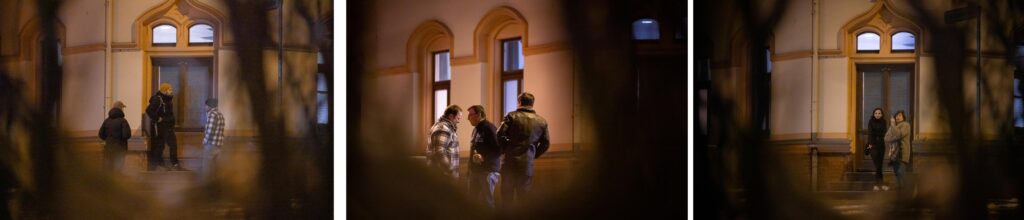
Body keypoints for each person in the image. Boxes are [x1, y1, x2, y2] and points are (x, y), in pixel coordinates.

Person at [497, 92, 550, 208]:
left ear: (519, 102)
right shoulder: (542, 121)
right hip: (527, 165)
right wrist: (533, 154)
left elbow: (499, 135)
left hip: (509, 163)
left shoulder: (511, 116)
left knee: (507, 199)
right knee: (524, 200)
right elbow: (546, 143)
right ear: (532, 104)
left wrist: (505, 148)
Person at [146, 83, 185, 171]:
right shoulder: (158, 99)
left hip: (168, 126)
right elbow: (148, 110)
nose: (171, 90)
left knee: (170, 145)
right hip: (162, 127)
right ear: (164, 90)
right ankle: (160, 165)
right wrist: (157, 118)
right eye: (169, 89)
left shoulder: (168, 99)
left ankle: (169, 164)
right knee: (162, 146)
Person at [467, 105, 500, 208]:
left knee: (487, 203)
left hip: (488, 171)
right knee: (472, 203)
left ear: (479, 115)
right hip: (475, 171)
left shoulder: (489, 128)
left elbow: (499, 149)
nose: (468, 118)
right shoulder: (475, 130)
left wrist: (484, 157)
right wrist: (469, 169)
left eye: (471, 115)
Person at [427, 105, 462, 179]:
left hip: (444, 174)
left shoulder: (446, 127)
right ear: (451, 116)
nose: (459, 121)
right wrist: (450, 170)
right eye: (458, 118)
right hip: (443, 175)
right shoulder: (443, 129)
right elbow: (439, 151)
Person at [98, 101, 131, 172]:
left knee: (109, 170)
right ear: (120, 109)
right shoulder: (123, 121)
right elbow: (127, 135)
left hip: (108, 149)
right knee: (118, 170)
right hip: (120, 149)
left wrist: (108, 139)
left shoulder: (106, 121)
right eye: (122, 107)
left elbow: (100, 134)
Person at [885, 110, 912, 191]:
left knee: (901, 172)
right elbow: (886, 138)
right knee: (897, 174)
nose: (897, 117)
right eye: (896, 115)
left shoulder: (906, 125)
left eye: (900, 115)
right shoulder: (893, 127)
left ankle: (909, 190)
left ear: (903, 117)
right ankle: (901, 192)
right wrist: (893, 129)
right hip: (894, 154)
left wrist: (893, 125)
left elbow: (899, 135)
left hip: (903, 153)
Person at [201, 98, 225, 183]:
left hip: (211, 144)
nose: (205, 107)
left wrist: (205, 140)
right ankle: (215, 184)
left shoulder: (212, 114)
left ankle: (206, 184)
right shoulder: (220, 114)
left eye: (206, 105)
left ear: (209, 106)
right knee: (215, 167)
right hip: (219, 144)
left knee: (207, 166)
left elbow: (210, 130)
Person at [866, 108, 889, 191]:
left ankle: (879, 185)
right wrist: (870, 144)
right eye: (876, 113)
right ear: (873, 114)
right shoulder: (870, 121)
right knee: (877, 165)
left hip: (881, 146)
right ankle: (878, 184)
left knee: (879, 165)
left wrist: (875, 133)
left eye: (879, 113)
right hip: (872, 145)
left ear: (882, 114)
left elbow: (884, 133)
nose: (877, 114)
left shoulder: (884, 122)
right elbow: (870, 133)